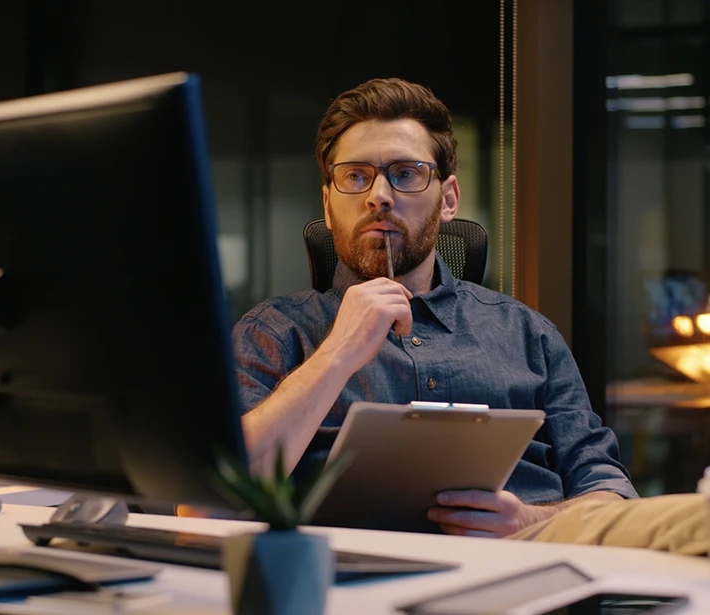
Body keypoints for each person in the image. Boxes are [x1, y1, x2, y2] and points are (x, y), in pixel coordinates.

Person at [230, 77, 639, 538]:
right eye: (355, 176)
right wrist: (336, 355)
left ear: (448, 200)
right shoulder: (276, 330)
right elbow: (210, 506)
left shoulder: (528, 334)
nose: (379, 196)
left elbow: (612, 496)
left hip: (522, 572)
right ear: (327, 206)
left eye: (405, 173)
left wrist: (531, 519)